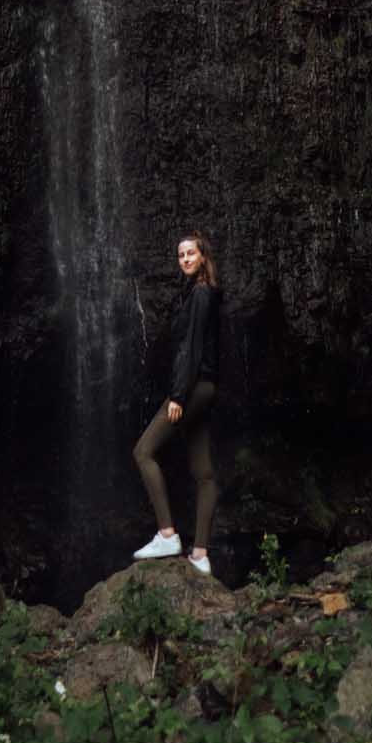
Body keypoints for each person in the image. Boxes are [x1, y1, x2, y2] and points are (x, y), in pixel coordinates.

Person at [131, 227, 220, 577]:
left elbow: (191, 349)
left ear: (203, 257)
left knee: (143, 452)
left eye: (191, 253)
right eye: (181, 254)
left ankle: (168, 534)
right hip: (208, 388)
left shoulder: (200, 295)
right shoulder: (206, 293)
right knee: (205, 472)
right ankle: (200, 555)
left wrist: (178, 396)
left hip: (192, 388)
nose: (185, 259)